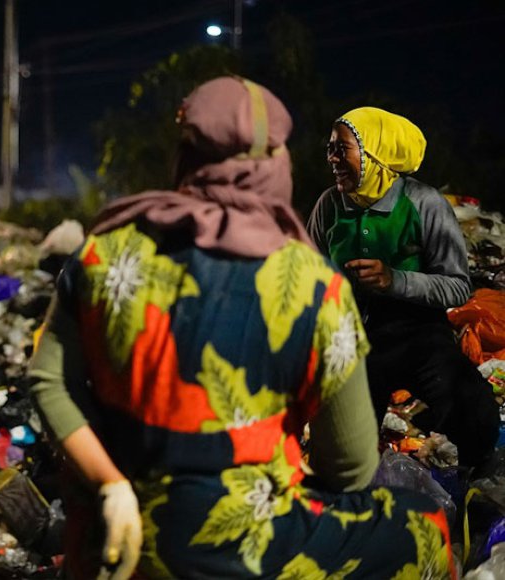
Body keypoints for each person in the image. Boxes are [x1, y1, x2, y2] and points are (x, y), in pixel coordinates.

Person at [27, 77, 455, 579]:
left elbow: (47, 380)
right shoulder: (314, 285)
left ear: (186, 157)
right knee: (423, 523)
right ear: (276, 162)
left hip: (113, 545)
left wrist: (111, 484)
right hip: (249, 551)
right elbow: (352, 468)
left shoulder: (104, 253)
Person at [308, 106, 499, 467]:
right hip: (353, 339)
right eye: (330, 148)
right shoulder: (329, 206)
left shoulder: (423, 203)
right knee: (336, 448)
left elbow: (458, 287)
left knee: (476, 411)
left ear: (374, 153)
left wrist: (394, 280)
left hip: (419, 334)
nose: (332, 158)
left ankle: (472, 488)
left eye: (342, 148)